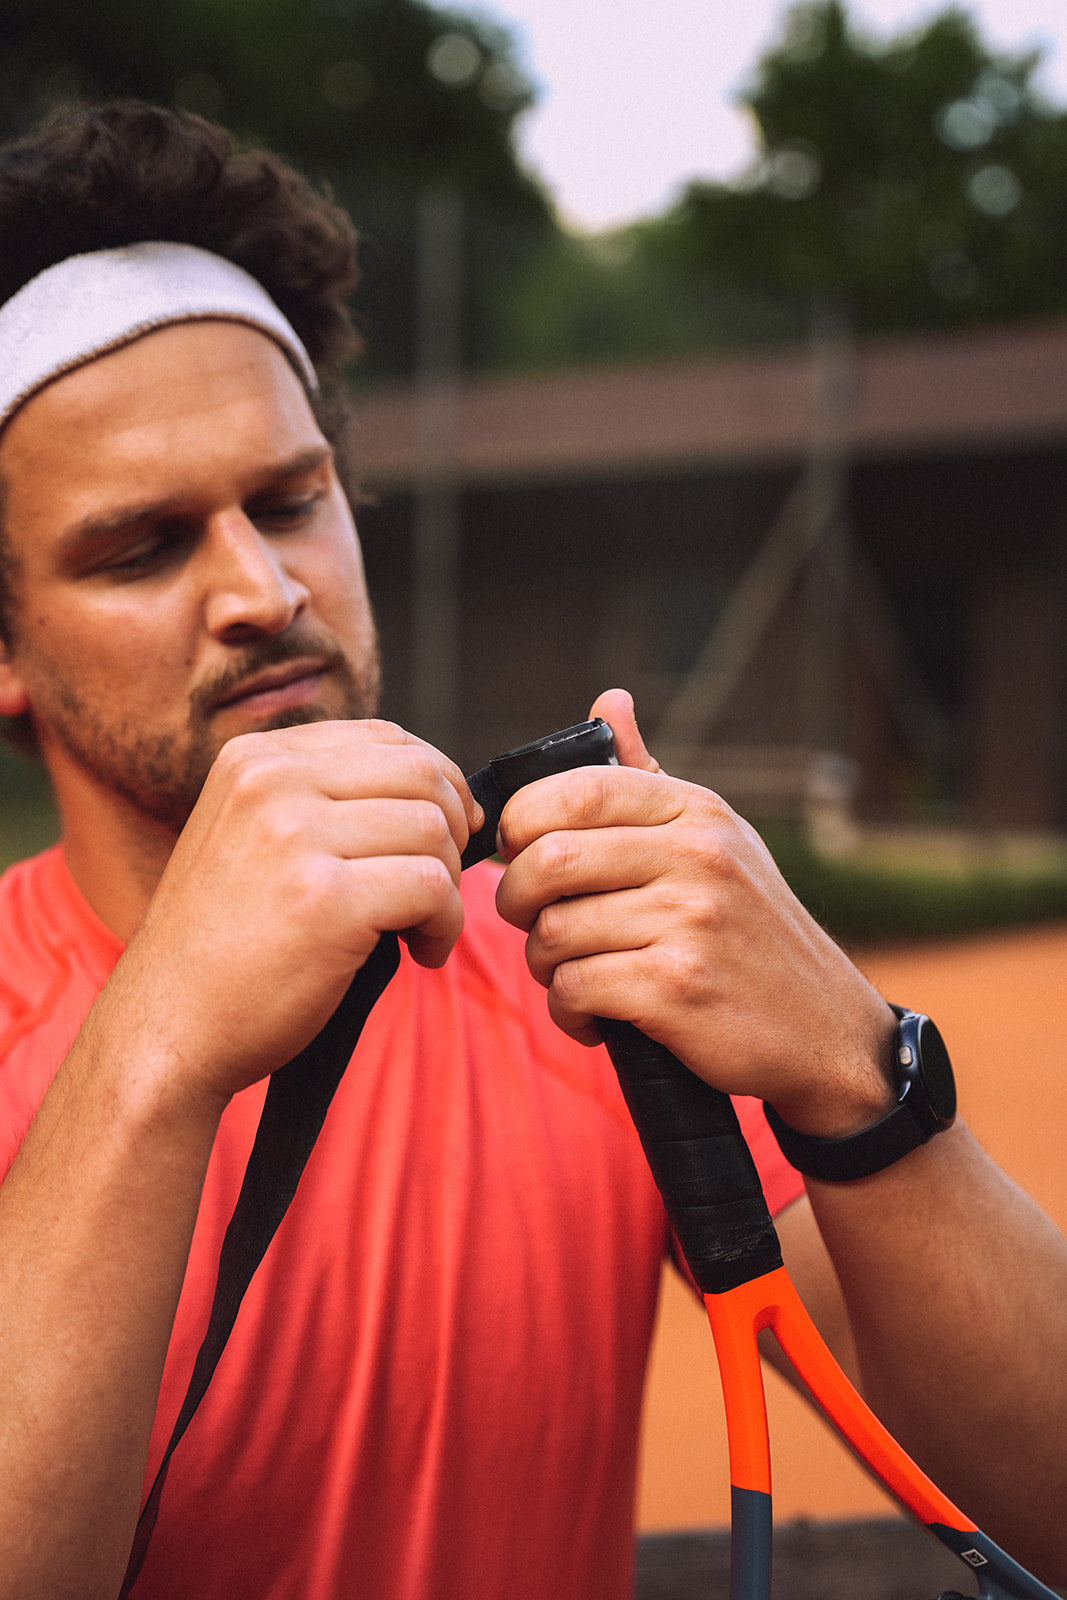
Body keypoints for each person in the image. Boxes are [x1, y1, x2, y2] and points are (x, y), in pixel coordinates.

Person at [0, 101, 1064, 1600]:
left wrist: (858, 1066)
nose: (259, 589)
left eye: (292, 501)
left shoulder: (574, 961)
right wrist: (156, 1053)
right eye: (141, 547)